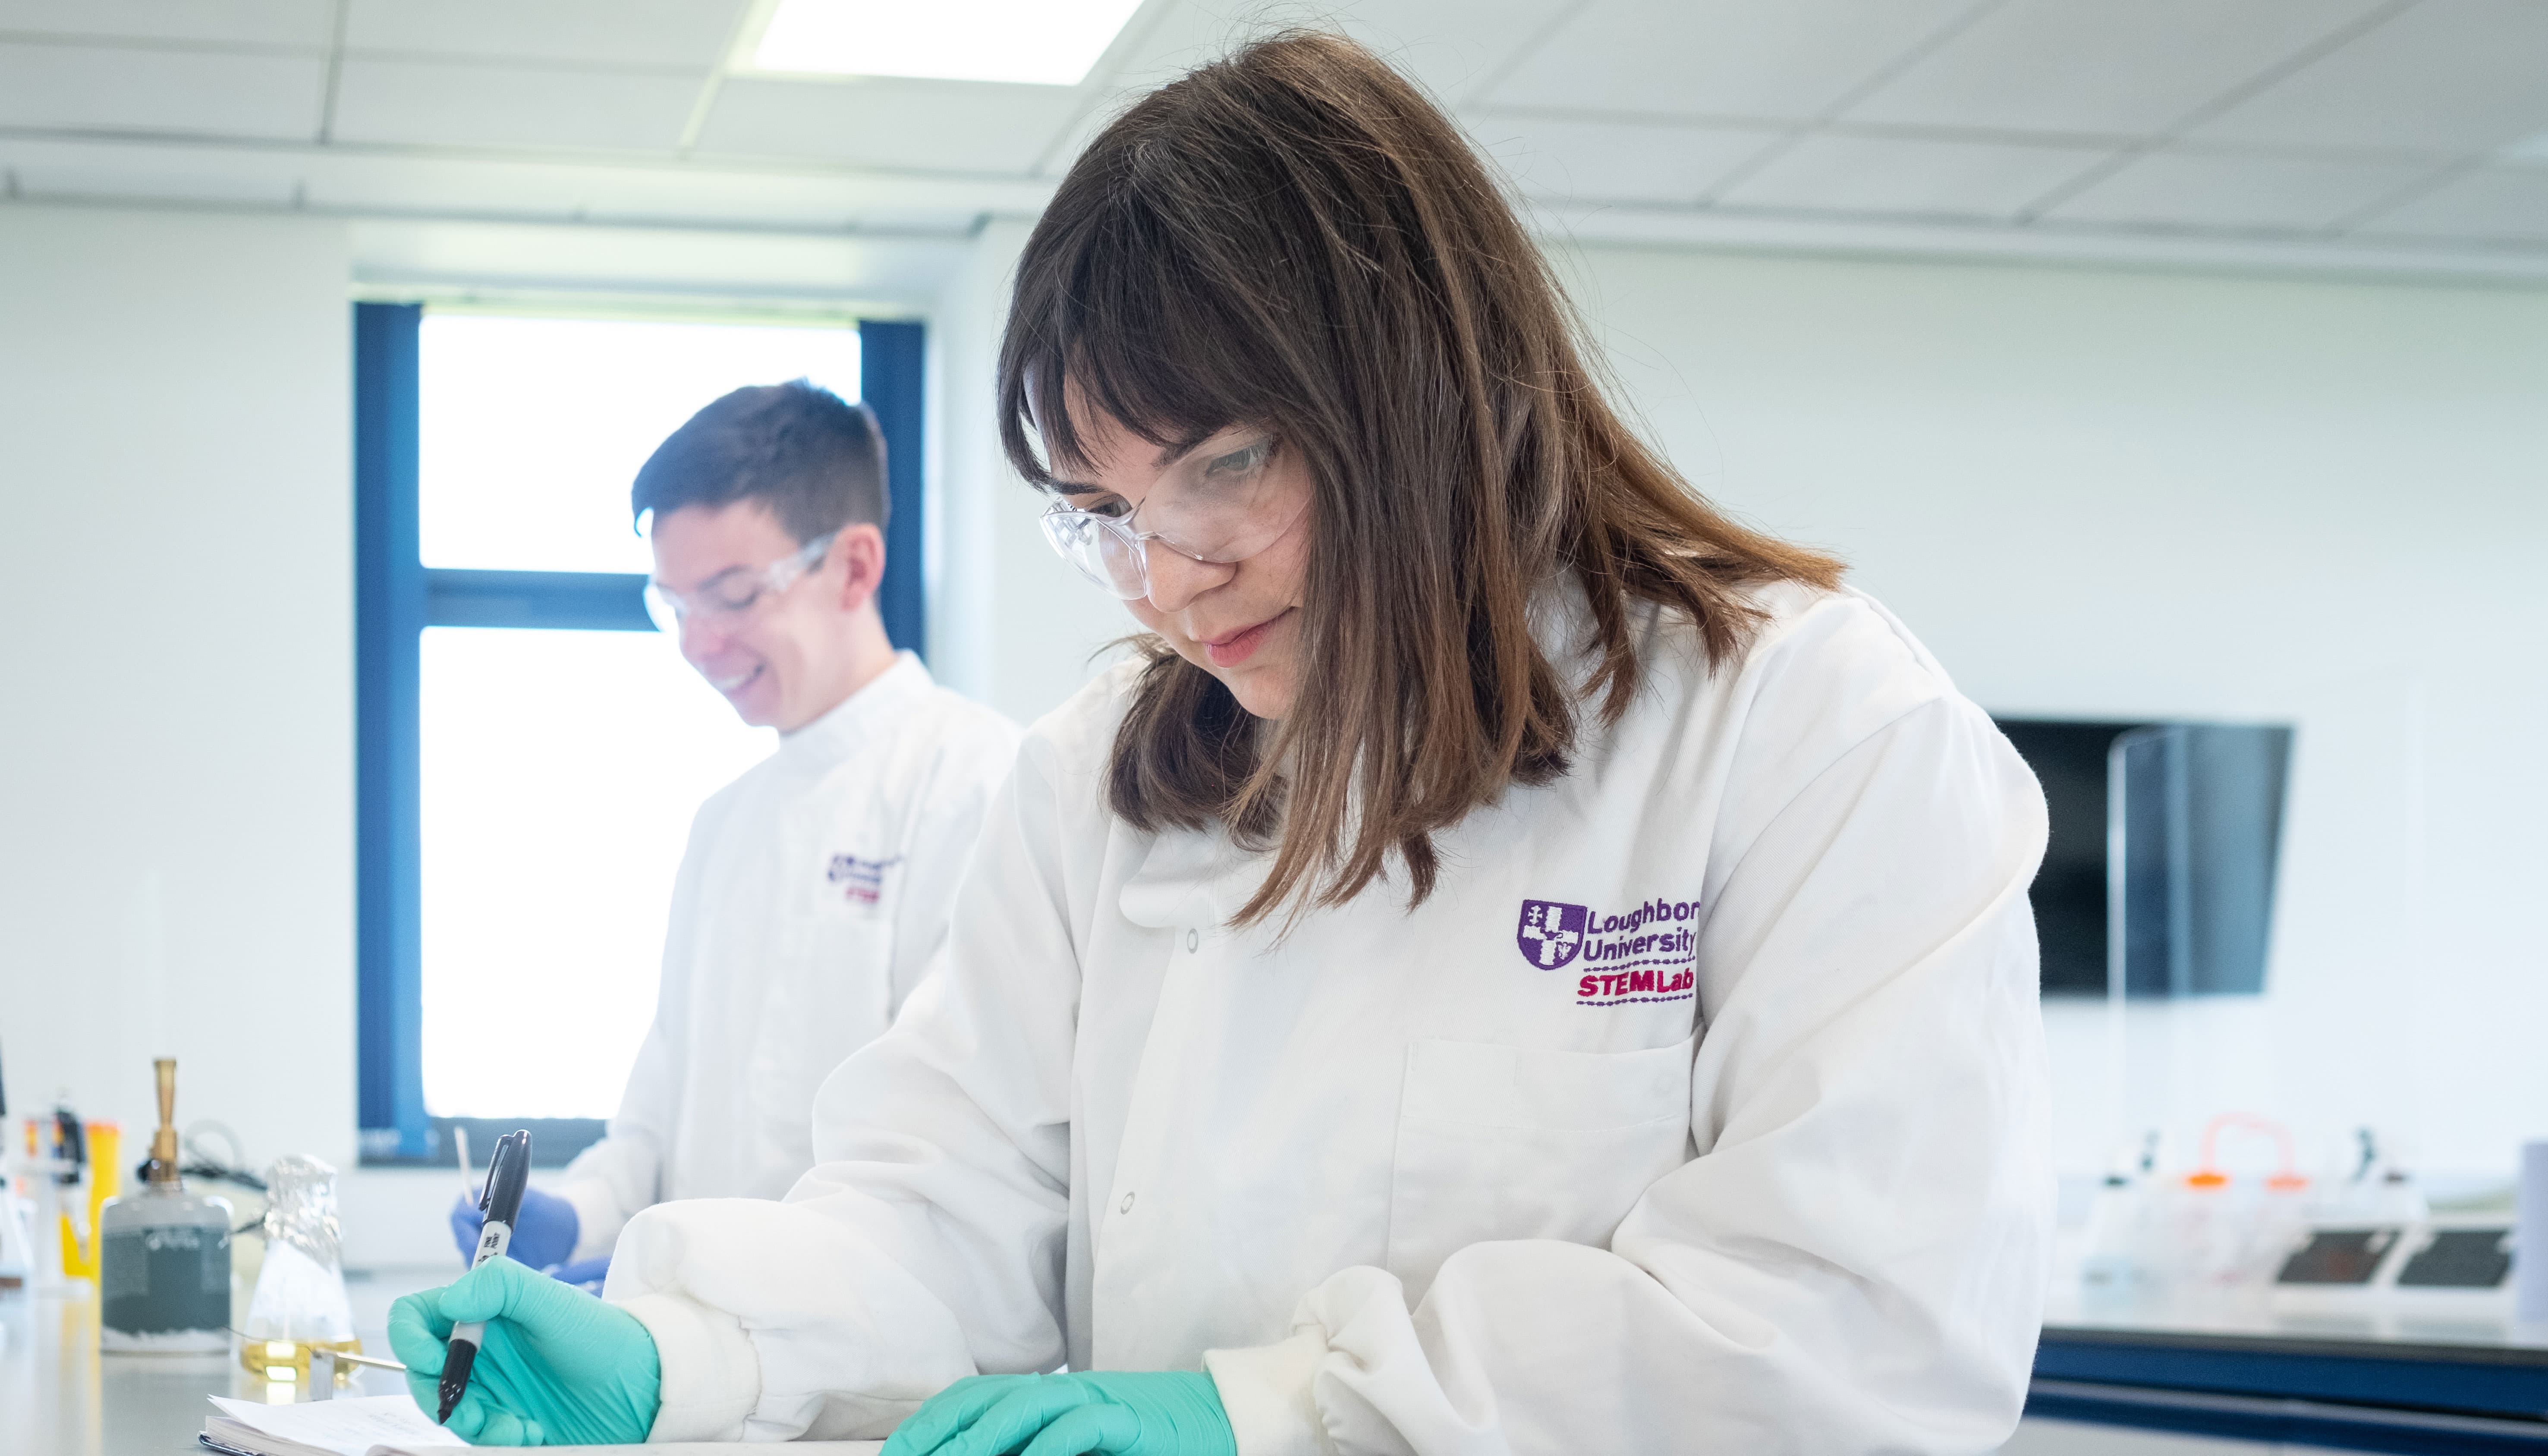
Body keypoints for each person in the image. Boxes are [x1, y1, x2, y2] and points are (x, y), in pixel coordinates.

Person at [393, 33, 2054, 1454]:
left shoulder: (1813, 733)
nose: (1167, 579)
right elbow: (947, 1205)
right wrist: (697, 1347)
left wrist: (1277, 1413)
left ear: (1428, 385)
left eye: (1229, 466)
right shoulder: (1099, 781)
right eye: (1106, 507)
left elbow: (1846, 1337)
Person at [443, 382, 1021, 1286]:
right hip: (699, 1360)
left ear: (857, 567)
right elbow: (659, 1114)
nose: (696, 644)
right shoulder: (725, 823)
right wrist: (574, 1214)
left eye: (733, 596)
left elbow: (938, 1147)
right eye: (673, 604)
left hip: (877, 1372)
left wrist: (717, 1283)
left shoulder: (978, 782)